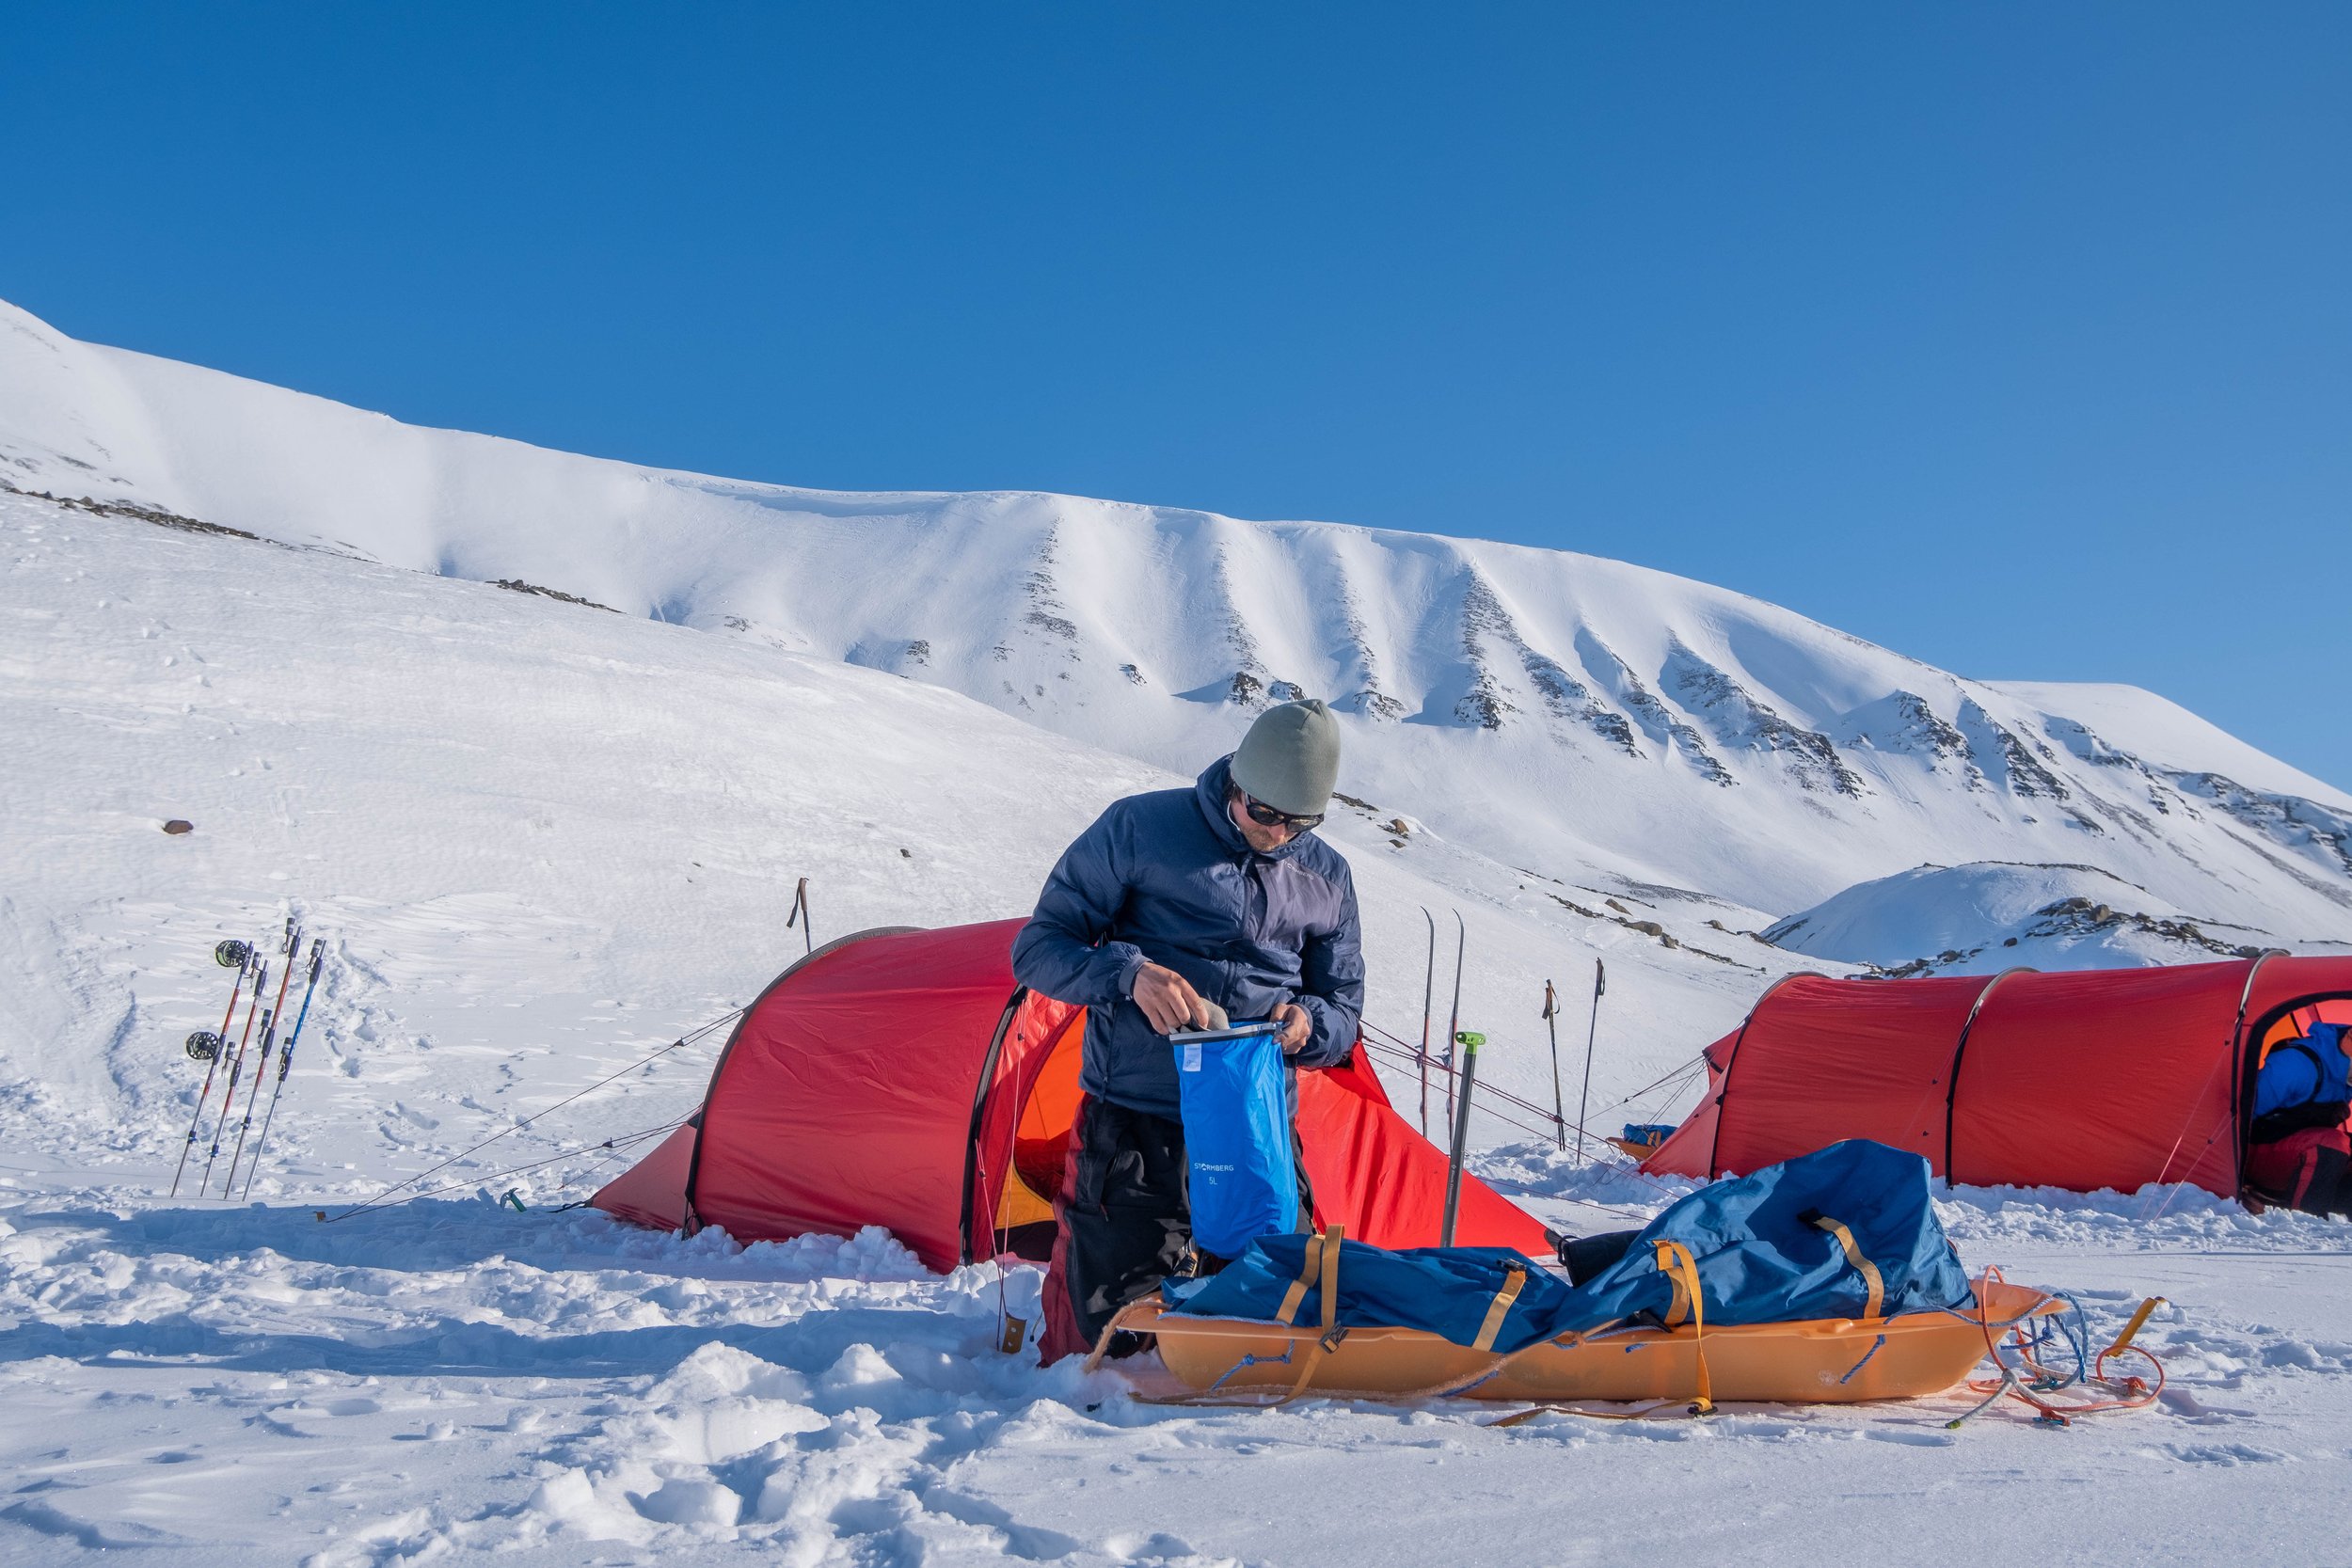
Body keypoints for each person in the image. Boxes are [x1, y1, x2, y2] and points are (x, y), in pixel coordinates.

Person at [1011, 699, 1364, 1359]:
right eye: (1263, 812)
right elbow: (1038, 949)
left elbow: (1343, 1009)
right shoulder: (1140, 829)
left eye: (1299, 822)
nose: (1277, 834)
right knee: (1107, 1345)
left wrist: (1308, 1023)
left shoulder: (1327, 877)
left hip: (1256, 1127)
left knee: (1271, 1333)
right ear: (1237, 781)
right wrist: (1129, 974)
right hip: (1138, 1120)